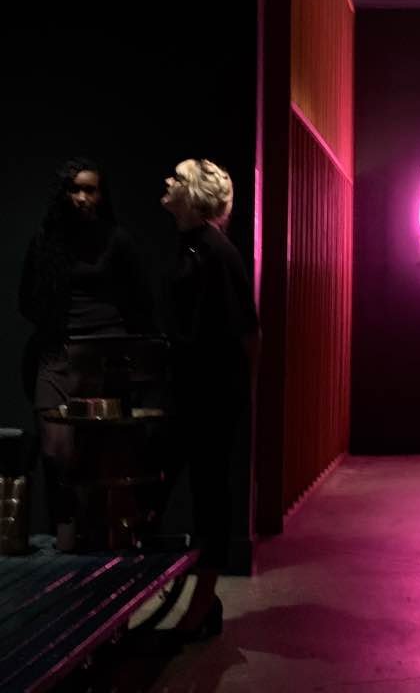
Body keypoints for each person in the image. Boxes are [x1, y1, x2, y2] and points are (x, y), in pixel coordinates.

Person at [18, 156, 152, 542]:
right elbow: (25, 298)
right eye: (74, 189)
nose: (81, 197)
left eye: (89, 190)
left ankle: (98, 537)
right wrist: (53, 322)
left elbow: (140, 300)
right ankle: (66, 532)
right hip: (59, 352)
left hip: (105, 353)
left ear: (101, 195)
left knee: (101, 450)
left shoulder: (117, 240)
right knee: (55, 450)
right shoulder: (46, 241)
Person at [160, 157, 259, 640]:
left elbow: (246, 331)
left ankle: (200, 606)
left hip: (209, 395)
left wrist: (235, 394)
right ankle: (201, 602)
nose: (168, 181)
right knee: (203, 494)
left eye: (178, 178)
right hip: (199, 390)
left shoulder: (214, 251)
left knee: (209, 498)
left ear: (196, 194)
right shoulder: (198, 246)